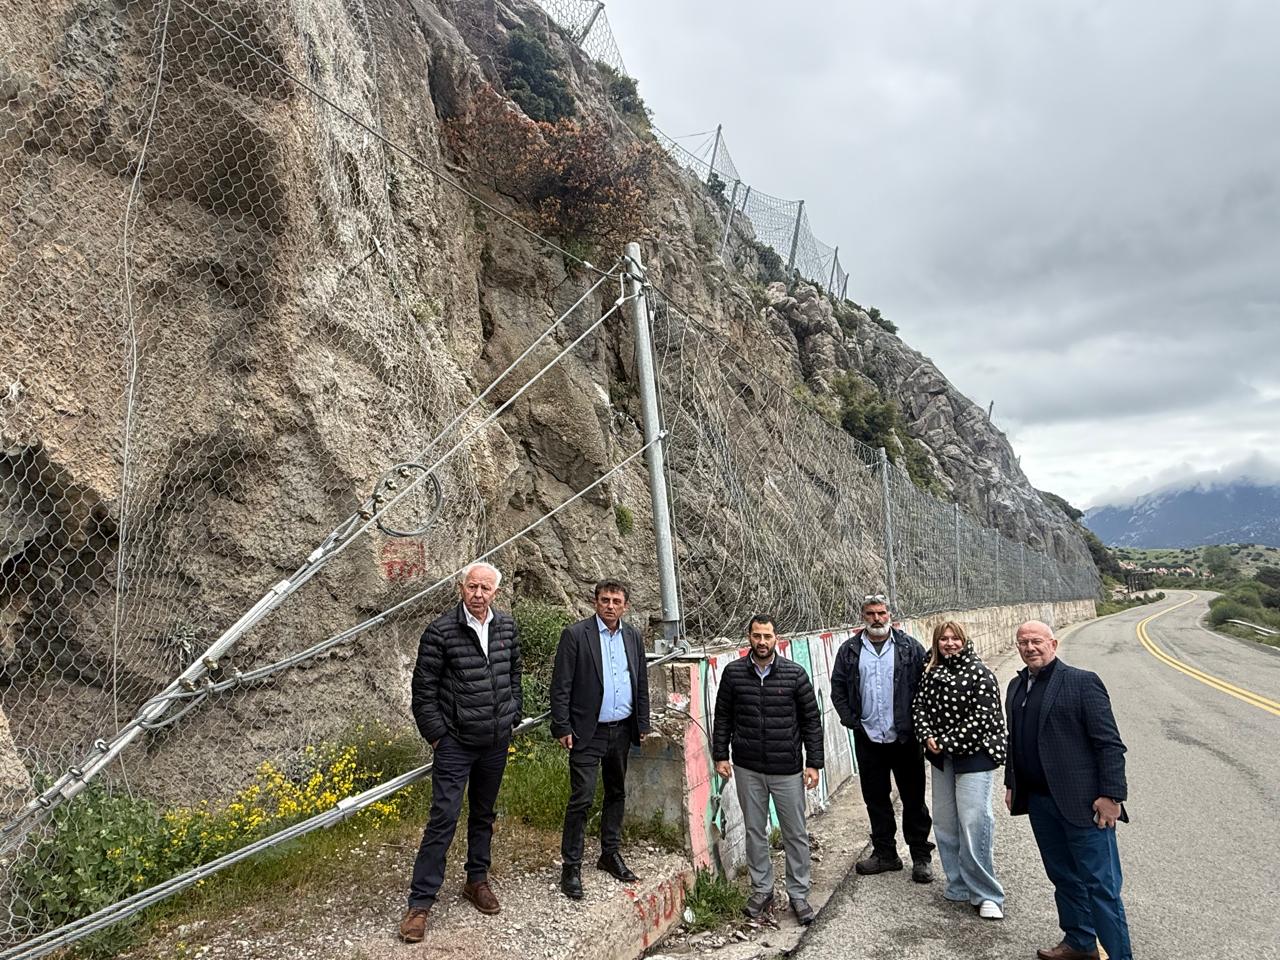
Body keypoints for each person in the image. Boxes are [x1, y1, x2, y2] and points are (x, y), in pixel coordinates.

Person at [398, 561, 522, 943]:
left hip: (495, 741)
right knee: (444, 819)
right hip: (455, 744)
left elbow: (514, 674)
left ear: (495, 592)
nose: (478, 594)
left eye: (485, 588)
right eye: (472, 587)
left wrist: (512, 715)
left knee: (484, 814)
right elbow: (423, 692)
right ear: (461, 588)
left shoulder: (506, 627)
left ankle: (476, 880)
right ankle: (420, 903)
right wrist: (439, 737)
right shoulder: (440, 631)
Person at [1005, 620, 1132, 960]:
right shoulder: (1016, 686)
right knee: (1063, 877)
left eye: (1036, 641)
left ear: (1053, 644)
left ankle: (1119, 955)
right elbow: (1015, 742)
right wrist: (1011, 783)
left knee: (1101, 887)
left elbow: (1109, 744)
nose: (1030, 648)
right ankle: (1080, 942)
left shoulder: (1081, 682)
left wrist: (1112, 796)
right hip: (1040, 802)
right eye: (1023, 642)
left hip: (1084, 804)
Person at [712, 614, 824, 924]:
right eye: (757, 636)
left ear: (777, 639)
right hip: (748, 767)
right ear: (749, 637)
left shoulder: (794, 674)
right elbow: (723, 717)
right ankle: (762, 890)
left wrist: (814, 763)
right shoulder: (733, 674)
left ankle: (798, 894)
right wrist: (720, 755)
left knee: (795, 833)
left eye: (767, 636)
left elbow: (811, 722)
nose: (762, 642)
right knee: (754, 831)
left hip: (786, 769)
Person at [550, 579, 651, 899]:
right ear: (595, 601)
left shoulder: (633, 636)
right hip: (587, 731)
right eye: (605, 600)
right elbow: (561, 685)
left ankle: (609, 853)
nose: (610, 606)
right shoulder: (575, 635)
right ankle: (571, 866)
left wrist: (642, 722)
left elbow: (641, 681)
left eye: (616, 601)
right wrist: (562, 726)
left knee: (616, 792)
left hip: (621, 729)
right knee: (582, 798)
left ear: (625, 606)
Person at [830, 593, 935, 881]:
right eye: (870, 613)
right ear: (862, 616)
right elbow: (838, 688)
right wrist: (852, 721)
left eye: (881, 613)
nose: (877, 618)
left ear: (890, 614)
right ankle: (886, 854)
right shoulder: (850, 650)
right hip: (869, 738)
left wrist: (918, 725)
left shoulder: (909, 648)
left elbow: (925, 686)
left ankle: (921, 856)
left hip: (904, 738)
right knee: (875, 799)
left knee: (913, 799)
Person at [912, 621, 1007, 919]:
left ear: (965, 641)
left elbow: (982, 718)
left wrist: (945, 741)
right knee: (945, 822)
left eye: (955, 638)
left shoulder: (980, 673)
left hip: (975, 755)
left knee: (974, 821)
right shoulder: (930, 671)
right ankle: (958, 883)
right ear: (936, 642)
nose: (950, 643)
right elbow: (919, 706)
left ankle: (987, 893)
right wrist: (926, 735)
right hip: (942, 757)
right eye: (944, 638)